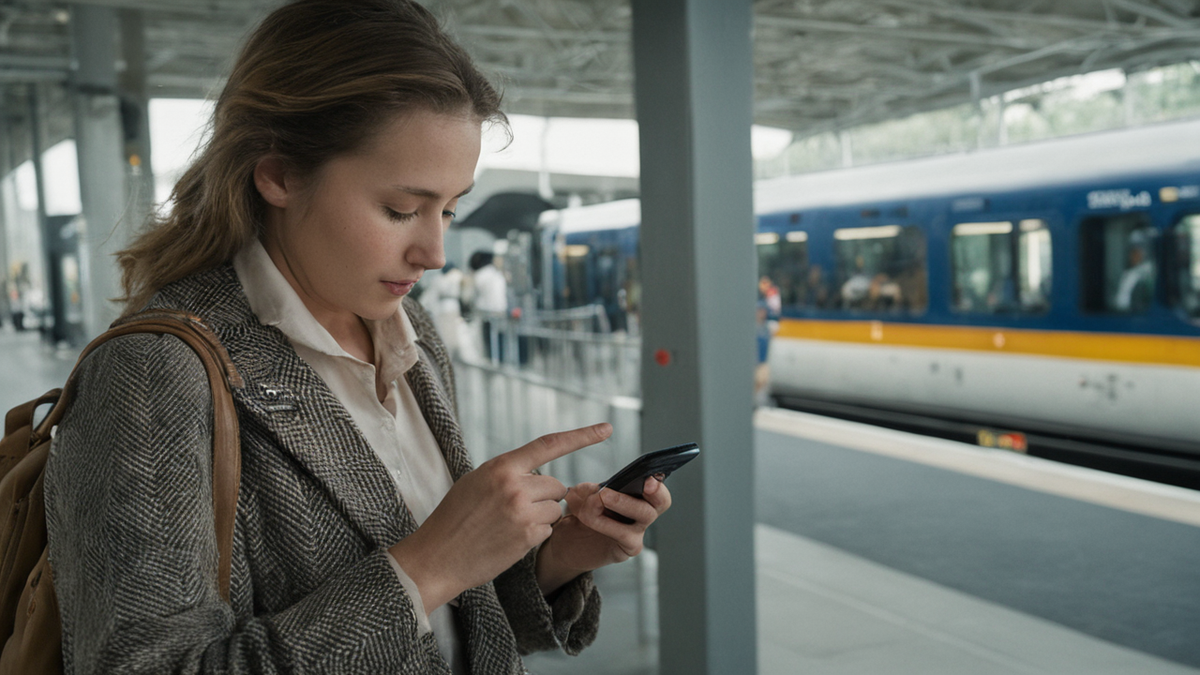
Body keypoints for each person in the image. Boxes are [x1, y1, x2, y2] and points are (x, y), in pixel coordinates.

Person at [45, 2, 672, 673]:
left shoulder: (413, 337)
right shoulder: (153, 371)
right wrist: (427, 564)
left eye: (450, 209)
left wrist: (551, 559)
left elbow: (449, 635)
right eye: (401, 209)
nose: (434, 251)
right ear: (279, 173)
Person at [469, 250, 507, 361]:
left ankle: (492, 363)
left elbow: (473, 297)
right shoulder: (496, 274)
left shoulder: (480, 275)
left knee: (489, 344)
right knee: (499, 343)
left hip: (486, 313)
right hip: (500, 312)